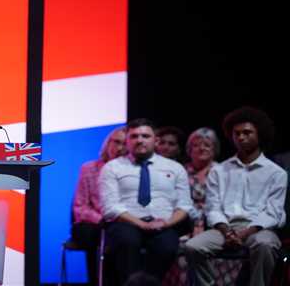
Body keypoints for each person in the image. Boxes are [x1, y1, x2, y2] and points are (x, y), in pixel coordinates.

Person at [184, 107, 287, 286]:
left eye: (247, 133)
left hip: (259, 229)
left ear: (259, 134)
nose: (241, 137)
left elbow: (273, 212)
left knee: (265, 245)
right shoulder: (219, 170)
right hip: (225, 229)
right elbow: (213, 207)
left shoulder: (276, 173)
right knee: (193, 247)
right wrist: (227, 231)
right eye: (236, 133)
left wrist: (247, 232)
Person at [99, 118, 193, 285]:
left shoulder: (175, 168)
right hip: (126, 222)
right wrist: (141, 224)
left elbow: (184, 205)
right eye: (134, 136)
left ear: (155, 140)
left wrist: (167, 223)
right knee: (127, 242)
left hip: (163, 223)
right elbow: (110, 208)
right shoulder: (112, 167)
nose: (140, 140)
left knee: (167, 246)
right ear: (127, 140)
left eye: (145, 136)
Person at [164, 128, 240, 285]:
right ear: (189, 150)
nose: (202, 148)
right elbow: (175, 201)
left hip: (218, 223)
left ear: (215, 149)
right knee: (178, 247)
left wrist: (204, 222)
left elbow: (227, 203)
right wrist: (195, 221)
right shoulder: (180, 171)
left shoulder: (224, 172)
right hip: (184, 223)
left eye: (207, 145)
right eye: (196, 145)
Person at [72, 126, 127, 285]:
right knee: (96, 235)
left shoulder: (133, 172)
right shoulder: (89, 168)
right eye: (116, 142)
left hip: (122, 222)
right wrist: (102, 219)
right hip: (93, 223)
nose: (120, 148)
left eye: (124, 143)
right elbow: (80, 207)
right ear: (107, 143)